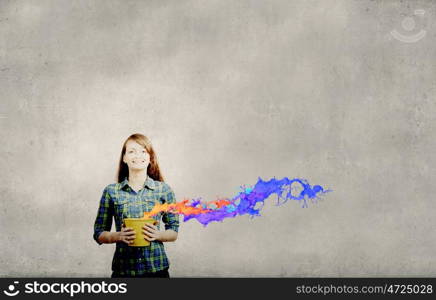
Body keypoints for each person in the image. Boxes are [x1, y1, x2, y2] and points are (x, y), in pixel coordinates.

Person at [93, 133, 179, 278]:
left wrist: (158, 235)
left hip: (156, 270)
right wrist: (117, 236)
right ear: (124, 158)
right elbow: (99, 233)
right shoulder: (111, 191)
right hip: (123, 271)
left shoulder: (164, 190)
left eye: (143, 151)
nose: (137, 155)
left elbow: (174, 232)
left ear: (150, 158)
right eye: (131, 151)